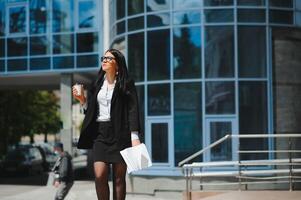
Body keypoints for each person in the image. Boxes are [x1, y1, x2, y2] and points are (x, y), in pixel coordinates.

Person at [72, 49, 142, 200]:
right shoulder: (96, 83)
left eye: (109, 58)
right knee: (99, 175)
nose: (104, 60)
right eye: (103, 58)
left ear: (117, 63)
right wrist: (82, 100)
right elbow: (90, 111)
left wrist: (134, 136)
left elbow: (133, 110)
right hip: (100, 134)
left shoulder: (127, 83)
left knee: (118, 179)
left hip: (120, 134)